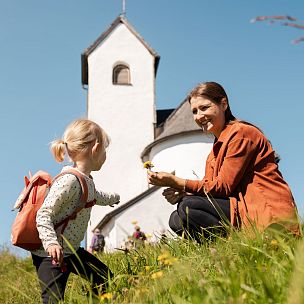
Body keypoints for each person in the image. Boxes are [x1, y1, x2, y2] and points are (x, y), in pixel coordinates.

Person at [147, 81, 300, 242]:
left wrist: (177, 181)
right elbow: (212, 188)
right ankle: (225, 248)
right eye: (194, 111)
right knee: (176, 219)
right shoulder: (213, 153)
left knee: (189, 206)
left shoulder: (241, 133)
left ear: (223, 104)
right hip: (242, 208)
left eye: (204, 108)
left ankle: (240, 242)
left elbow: (223, 187)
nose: (199, 116)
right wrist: (185, 192)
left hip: (265, 211)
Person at [31, 119, 120, 304]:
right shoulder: (69, 181)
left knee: (105, 278)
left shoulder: (85, 180)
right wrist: (51, 244)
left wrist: (114, 198)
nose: (105, 155)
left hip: (71, 251)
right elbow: (44, 214)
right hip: (50, 254)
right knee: (53, 300)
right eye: (105, 150)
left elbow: (95, 195)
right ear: (95, 148)